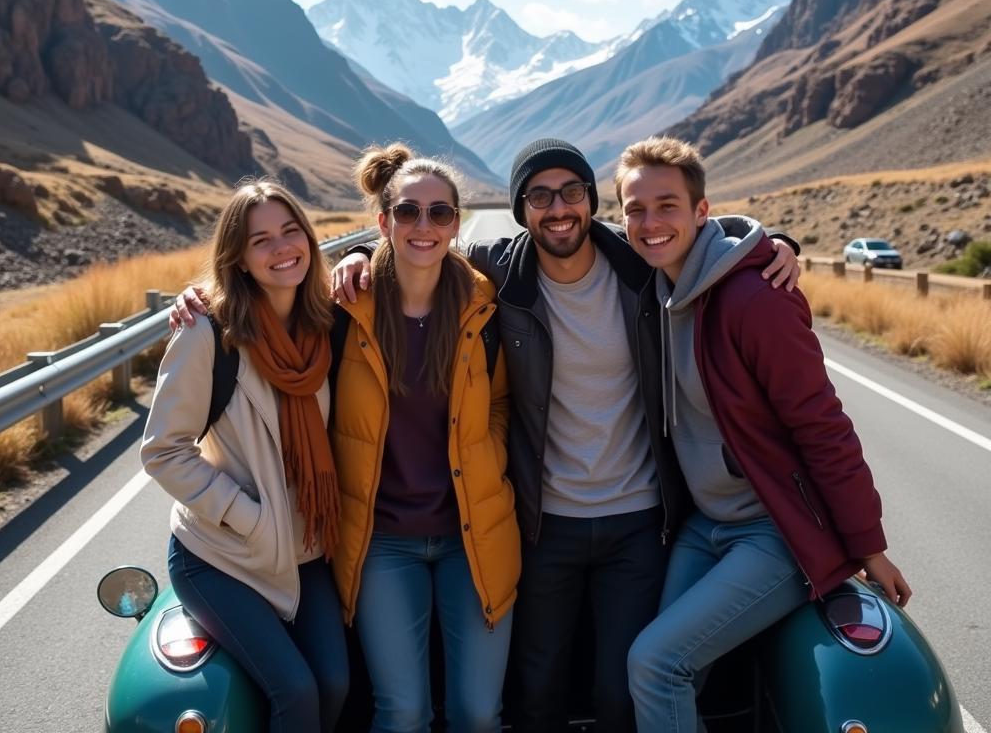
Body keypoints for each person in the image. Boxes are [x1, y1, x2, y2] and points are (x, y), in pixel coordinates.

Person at [330, 137, 800, 733]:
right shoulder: (497, 271)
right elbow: (419, 246)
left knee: (617, 693)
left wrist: (775, 243)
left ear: (592, 200)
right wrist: (361, 258)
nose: (558, 208)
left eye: (572, 192)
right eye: (539, 196)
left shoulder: (639, 267)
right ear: (521, 210)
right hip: (542, 522)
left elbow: (704, 230)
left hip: (638, 523)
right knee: (537, 688)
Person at [615, 136, 910, 733]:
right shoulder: (656, 286)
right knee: (674, 670)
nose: (650, 222)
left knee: (656, 662)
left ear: (701, 213)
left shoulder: (755, 300)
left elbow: (823, 425)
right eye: (635, 208)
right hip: (707, 526)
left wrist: (867, 544)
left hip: (776, 531)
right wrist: (364, 251)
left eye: (667, 205)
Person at [142, 180, 349, 733]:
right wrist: (246, 515)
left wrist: (357, 254)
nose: (282, 248)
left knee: (336, 683)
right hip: (223, 555)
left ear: (308, 237)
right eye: (262, 241)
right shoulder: (208, 332)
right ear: (238, 257)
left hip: (305, 551)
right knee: (297, 692)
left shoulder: (323, 325)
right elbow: (162, 451)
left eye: (290, 232)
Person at [331, 143, 520, 732]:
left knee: (478, 713)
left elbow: (501, 402)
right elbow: (259, 289)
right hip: (383, 542)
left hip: (474, 535)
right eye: (408, 212)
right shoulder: (344, 308)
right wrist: (196, 302)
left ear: (456, 223)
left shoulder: (483, 304)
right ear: (383, 221)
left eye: (440, 214)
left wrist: (486, 452)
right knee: (402, 711)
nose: (424, 226)